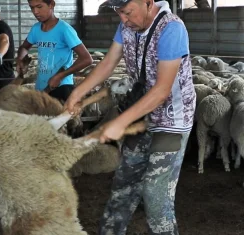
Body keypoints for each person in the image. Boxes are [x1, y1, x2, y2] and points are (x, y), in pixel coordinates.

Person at [65, 0, 195, 234]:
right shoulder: (128, 26)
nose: (123, 19)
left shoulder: (171, 28)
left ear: (148, 3)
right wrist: (78, 92)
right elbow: (108, 62)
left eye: (127, 12)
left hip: (171, 122)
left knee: (155, 195)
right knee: (123, 186)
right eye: (119, 13)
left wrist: (120, 121)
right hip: (140, 115)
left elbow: (162, 90)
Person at [16, 0, 92, 103]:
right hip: (42, 87)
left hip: (62, 87)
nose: (35, 12)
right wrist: (21, 60)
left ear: (51, 4)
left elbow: (86, 59)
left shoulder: (64, 29)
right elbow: (24, 47)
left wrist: (60, 76)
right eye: (32, 8)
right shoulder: (36, 29)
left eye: (39, 7)